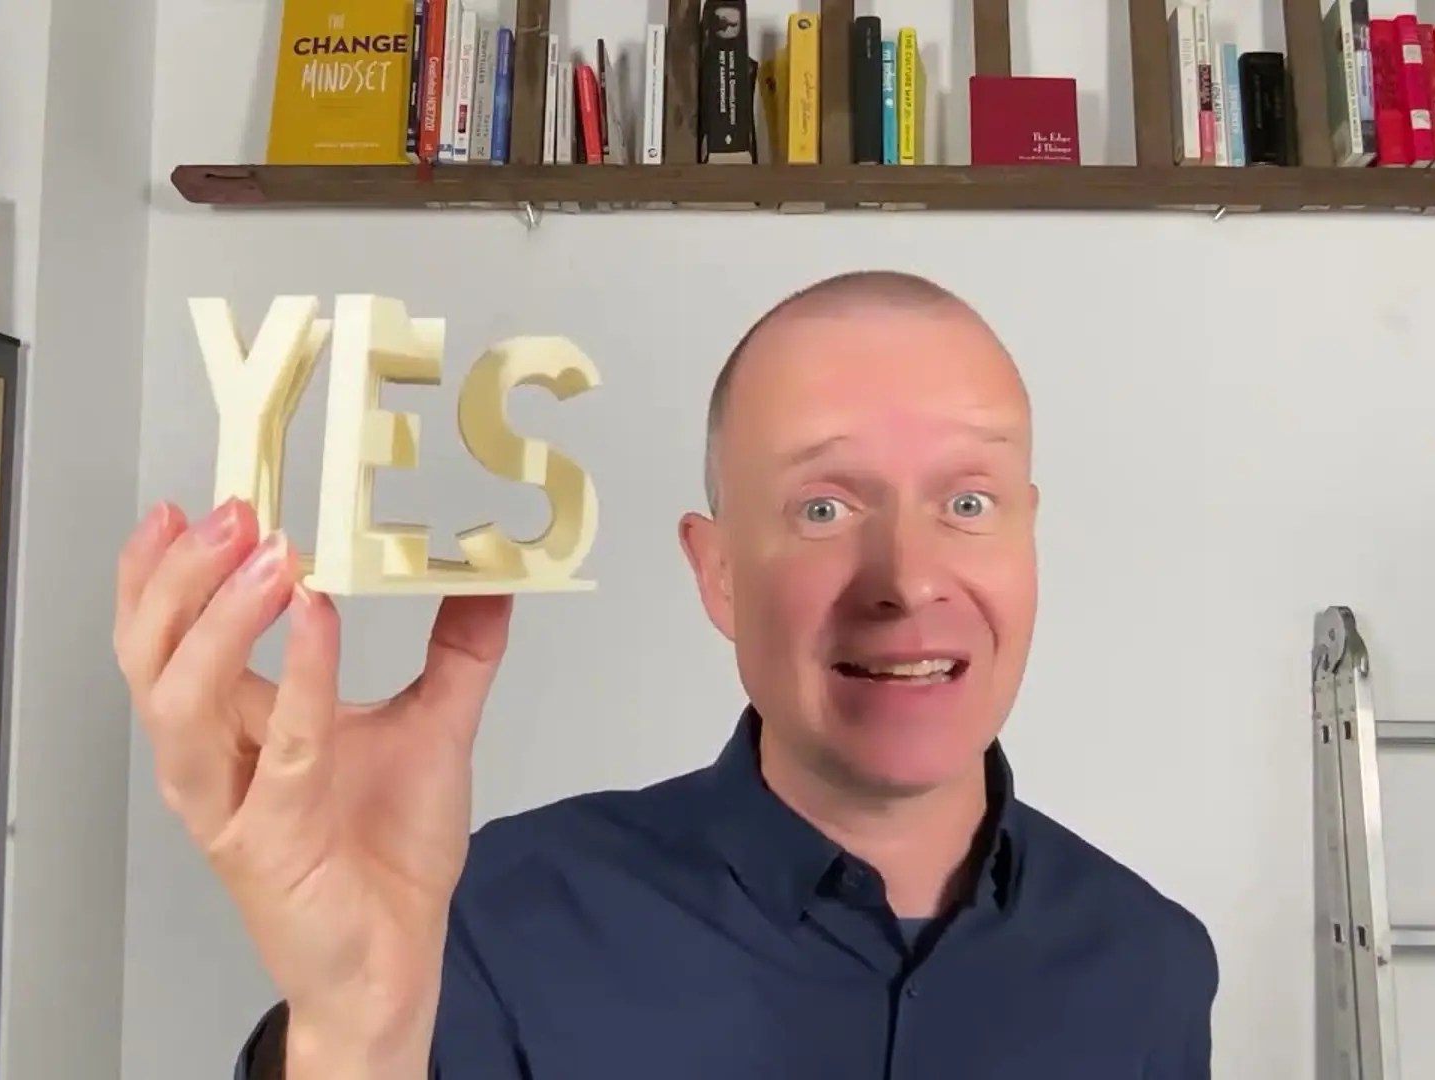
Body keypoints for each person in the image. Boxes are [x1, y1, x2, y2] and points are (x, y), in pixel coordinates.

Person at [114, 270, 1219, 1080]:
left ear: (1030, 541)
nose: (907, 579)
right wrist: (357, 1029)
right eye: (823, 508)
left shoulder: (1156, 965)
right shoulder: (490, 920)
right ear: (718, 574)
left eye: (969, 503)